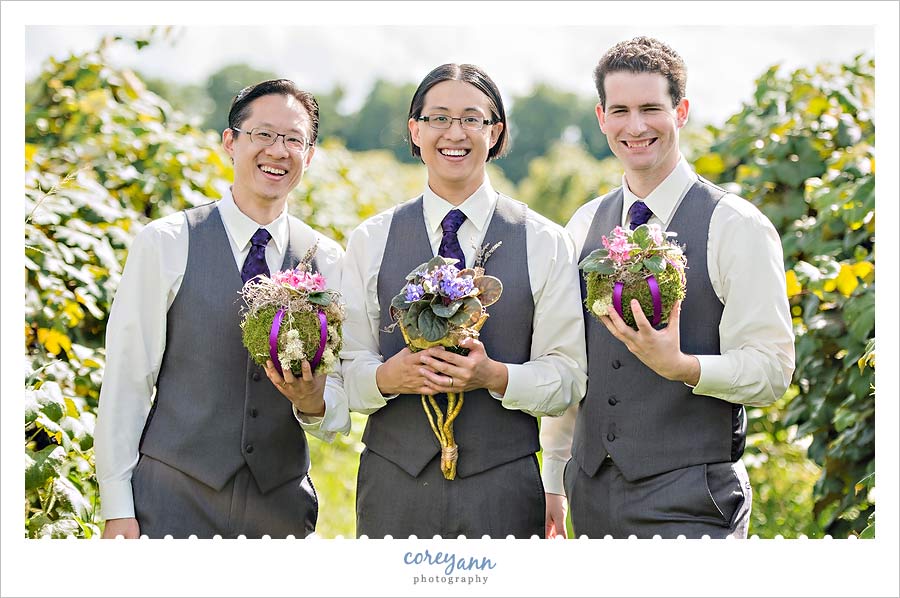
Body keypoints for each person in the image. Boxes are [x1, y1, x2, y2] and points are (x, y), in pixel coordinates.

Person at [541, 37, 795, 539]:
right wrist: (554, 478)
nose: (635, 127)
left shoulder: (735, 225)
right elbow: (571, 359)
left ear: (680, 111)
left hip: (693, 504)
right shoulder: (582, 224)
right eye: (621, 110)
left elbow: (772, 370)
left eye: (651, 108)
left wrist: (683, 367)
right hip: (591, 499)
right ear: (601, 117)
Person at [95, 79, 350, 539]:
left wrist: (317, 405)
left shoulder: (328, 260)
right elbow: (128, 378)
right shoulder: (167, 243)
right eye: (263, 134)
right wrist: (118, 507)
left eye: (294, 139)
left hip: (280, 510)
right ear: (231, 142)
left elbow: (338, 399)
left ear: (309, 156)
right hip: (171, 502)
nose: (279, 150)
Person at [341, 63, 587, 539]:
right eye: (438, 118)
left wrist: (494, 375)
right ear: (415, 130)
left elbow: (568, 377)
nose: (455, 133)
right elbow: (345, 369)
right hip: (394, 487)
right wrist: (388, 377)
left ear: (494, 132)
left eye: (472, 118)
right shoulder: (370, 239)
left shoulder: (544, 241)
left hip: (504, 489)